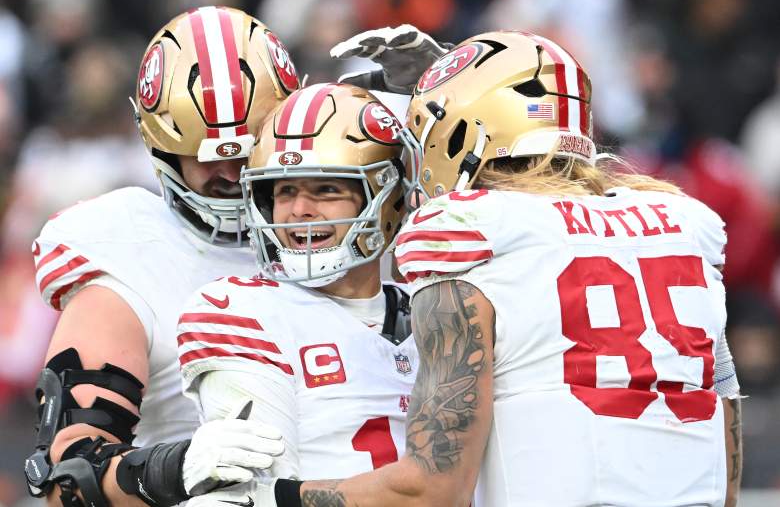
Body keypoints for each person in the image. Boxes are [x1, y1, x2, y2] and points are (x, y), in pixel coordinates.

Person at [189, 30, 743, 507]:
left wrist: (275, 496)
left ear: (466, 132)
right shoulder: (683, 220)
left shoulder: (467, 228)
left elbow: (434, 488)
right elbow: (725, 428)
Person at [25, 6, 300, 507]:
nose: (235, 172)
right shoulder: (132, 258)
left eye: (249, 149)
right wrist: (176, 466)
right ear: (161, 147)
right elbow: (69, 482)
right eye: (208, 154)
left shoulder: (347, 219)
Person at [176, 82, 417, 483]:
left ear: (385, 198)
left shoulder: (435, 310)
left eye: (326, 189)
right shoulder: (244, 313)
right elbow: (260, 491)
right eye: (285, 191)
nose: (299, 211)